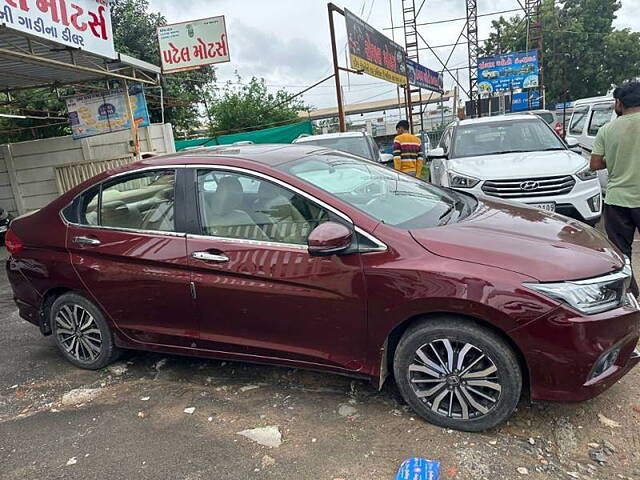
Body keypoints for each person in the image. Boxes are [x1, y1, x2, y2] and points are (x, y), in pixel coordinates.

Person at [590, 80, 640, 296]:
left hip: (618, 201)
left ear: (619, 103)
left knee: (621, 252)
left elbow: (595, 164)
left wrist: (616, 157)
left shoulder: (607, 129)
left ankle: (631, 293)